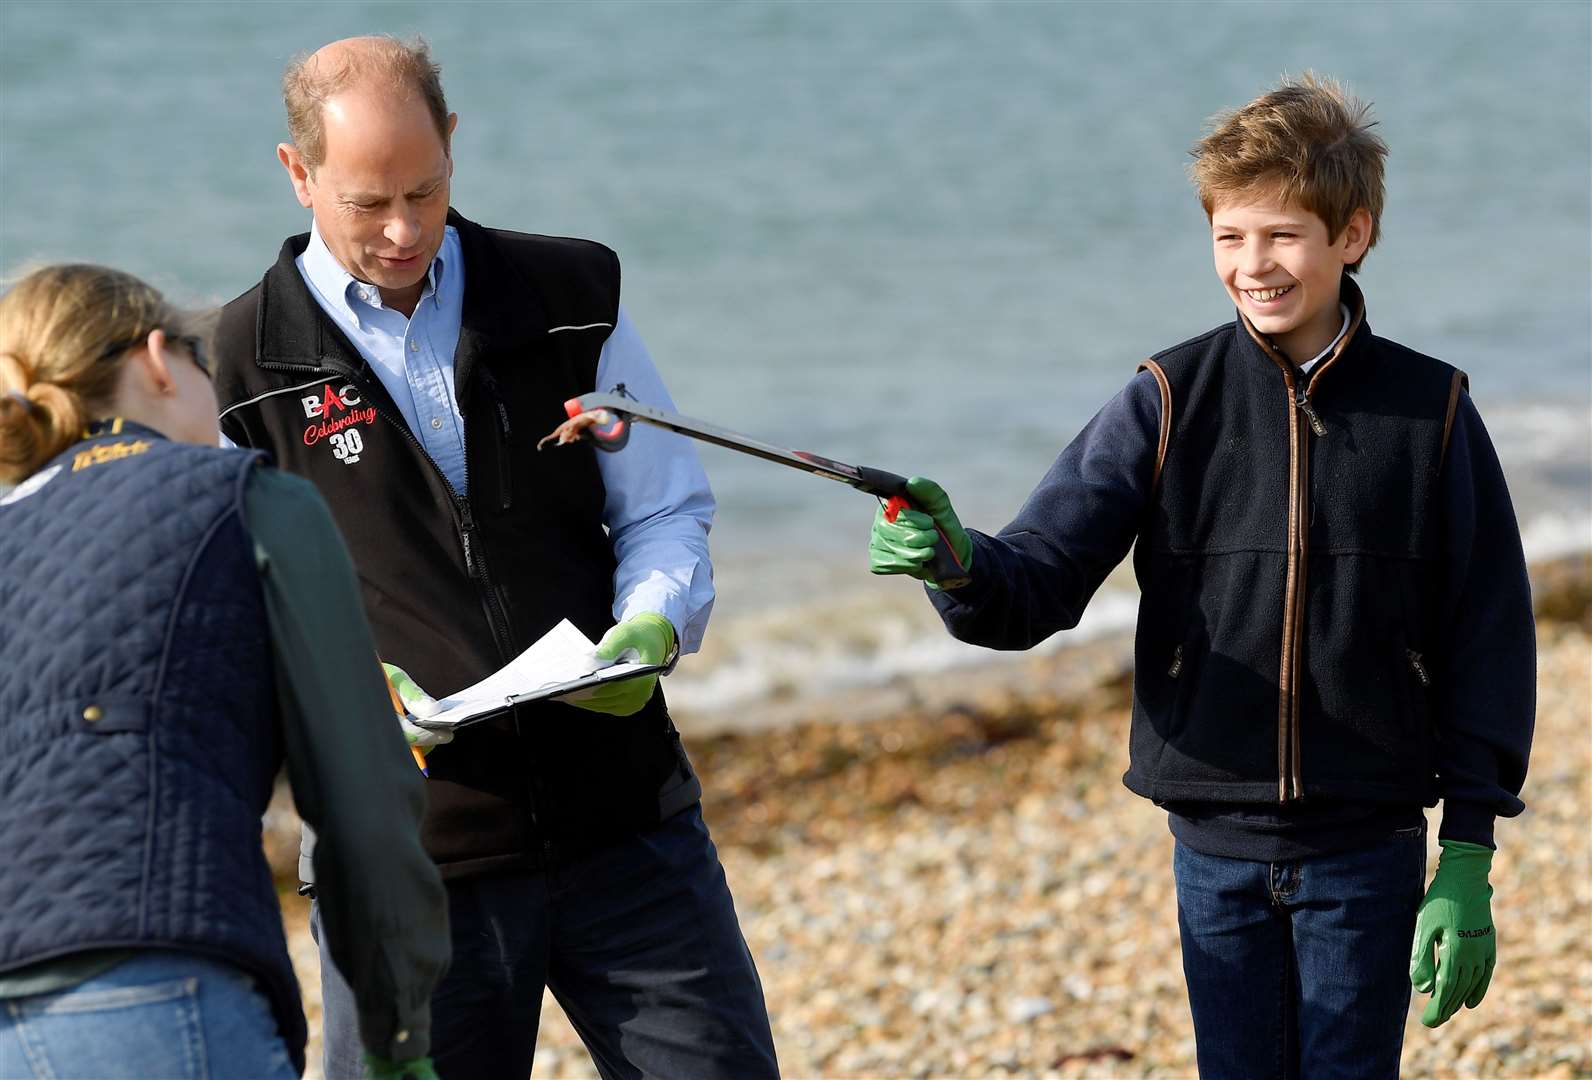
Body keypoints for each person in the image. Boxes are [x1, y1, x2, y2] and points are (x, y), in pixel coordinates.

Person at [869, 76, 1534, 1077]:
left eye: (1279, 236)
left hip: (1366, 846)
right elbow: (1038, 580)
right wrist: (954, 562)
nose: (1250, 264)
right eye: (1227, 237)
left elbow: (1487, 636)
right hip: (1210, 849)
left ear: (1350, 236)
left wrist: (1470, 852)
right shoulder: (1164, 399)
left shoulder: (1430, 412)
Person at [210, 36, 778, 1079]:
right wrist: (329, 694)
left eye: (424, 192)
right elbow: (227, 612)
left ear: (455, 146)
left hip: (628, 828)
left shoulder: (570, 293)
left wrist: (651, 623)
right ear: (296, 174)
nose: (400, 229)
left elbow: (662, 509)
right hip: (402, 865)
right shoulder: (235, 368)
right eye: (364, 201)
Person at [0, 264, 450, 1079]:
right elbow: (364, 802)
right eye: (205, 363)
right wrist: (396, 1035)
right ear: (159, 360)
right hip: (150, 988)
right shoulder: (239, 495)